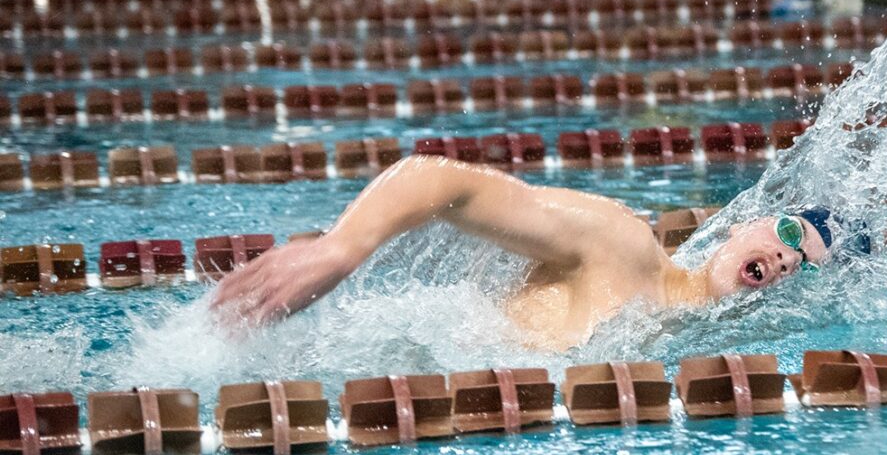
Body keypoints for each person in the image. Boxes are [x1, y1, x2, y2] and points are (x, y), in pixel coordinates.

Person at [212, 156, 833, 351]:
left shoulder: (689, 343)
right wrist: (341, 249)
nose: (787, 259)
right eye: (786, 234)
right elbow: (449, 184)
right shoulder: (621, 244)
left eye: (802, 262)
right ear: (738, 227)